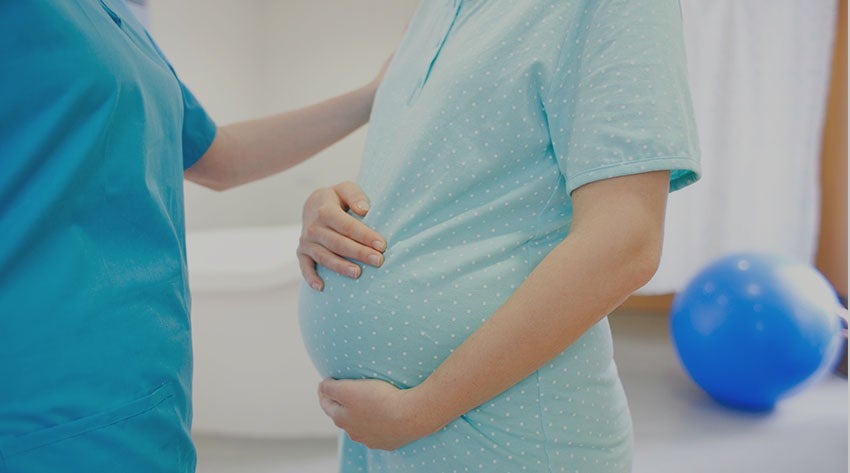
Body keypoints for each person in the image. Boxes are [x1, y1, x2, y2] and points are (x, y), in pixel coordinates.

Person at [296, 0, 702, 471]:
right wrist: (332, 209)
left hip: (505, 435)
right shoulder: (437, 10)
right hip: (383, 438)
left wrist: (420, 410)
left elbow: (625, 241)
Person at [0, 1, 388, 471]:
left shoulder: (120, 26)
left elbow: (221, 157)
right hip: (41, 404)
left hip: (147, 398)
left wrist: (372, 97)